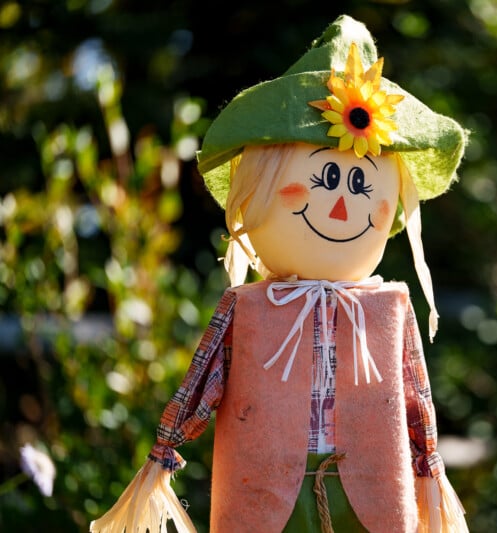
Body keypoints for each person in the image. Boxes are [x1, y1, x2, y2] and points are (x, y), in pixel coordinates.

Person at [90, 14, 469, 533]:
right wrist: (163, 454)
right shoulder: (247, 308)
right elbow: (202, 385)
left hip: (375, 493)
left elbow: (415, 402)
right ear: (259, 191)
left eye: (361, 186)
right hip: (260, 494)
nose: (339, 202)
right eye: (325, 177)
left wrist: (429, 472)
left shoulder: (390, 308)